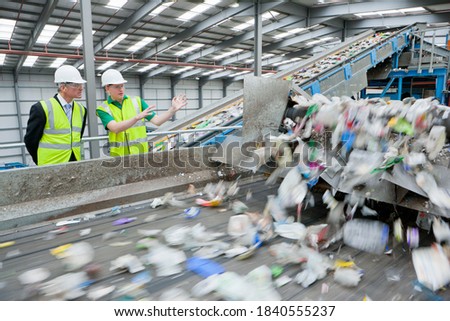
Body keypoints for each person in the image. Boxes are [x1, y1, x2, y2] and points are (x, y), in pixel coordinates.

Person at [96, 69, 187, 156]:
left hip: (141, 154)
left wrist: (172, 110)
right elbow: (115, 128)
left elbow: (157, 121)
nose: (121, 89)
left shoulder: (137, 101)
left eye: (122, 86)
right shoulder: (103, 109)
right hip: (119, 156)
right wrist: (136, 118)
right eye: (117, 87)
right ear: (107, 88)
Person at [24, 65, 87, 166]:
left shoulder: (82, 110)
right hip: (50, 165)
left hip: (74, 163)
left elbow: (78, 136)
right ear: (63, 87)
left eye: (81, 84)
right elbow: (30, 141)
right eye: (76, 85)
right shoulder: (41, 108)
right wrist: (40, 161)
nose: (81, 88)